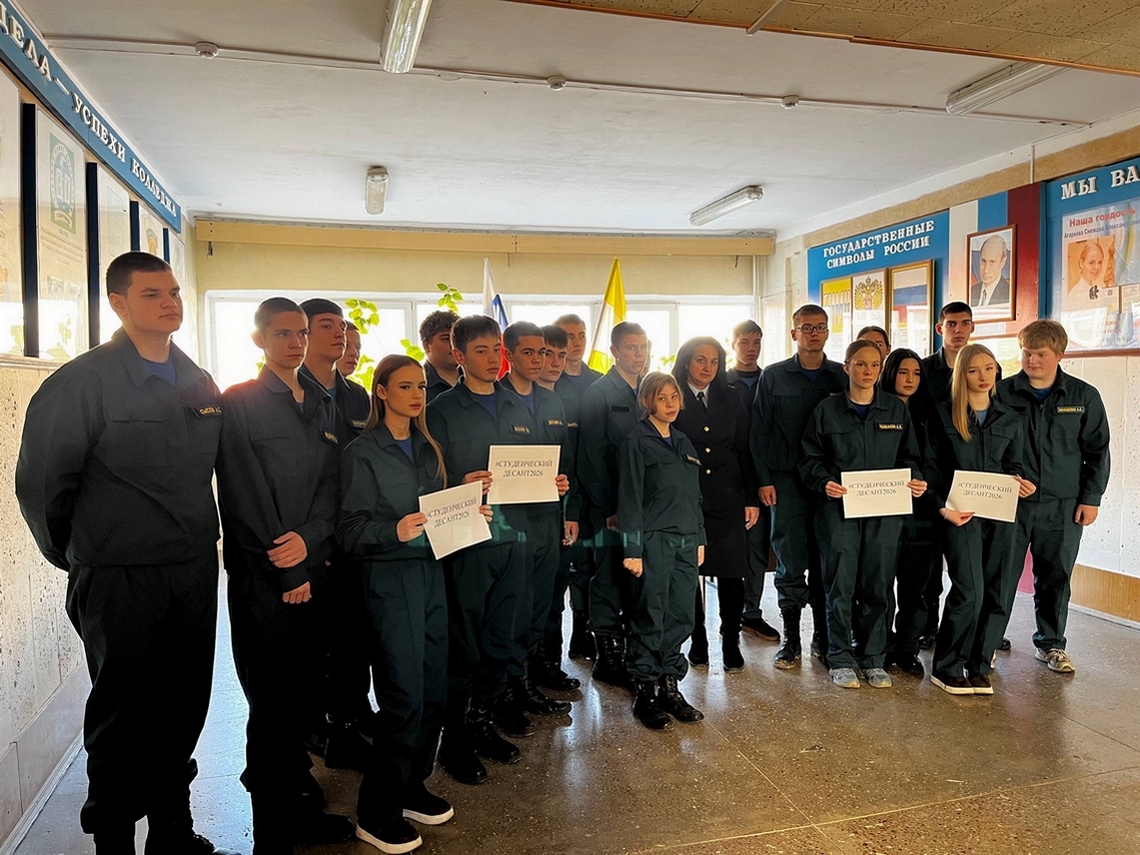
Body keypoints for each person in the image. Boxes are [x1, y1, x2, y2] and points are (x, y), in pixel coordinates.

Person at [15, 252, 235, 855]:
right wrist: (80, 554)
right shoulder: (83, 382)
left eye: (174, 292)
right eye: (151, 294)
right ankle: (113, 843)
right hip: (119, 575)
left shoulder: (198, 381)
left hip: (191, 569)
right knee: (123, 713)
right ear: (117, 304)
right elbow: (42, 484)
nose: (169, 303)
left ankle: (172, 831)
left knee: (184, 705)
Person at [217, 298, 351, 853]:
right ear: (259, 339)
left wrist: (312, 539)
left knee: (305, 698)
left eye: (300, 333)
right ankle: (272, 832)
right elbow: (243, 494)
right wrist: (290, 563)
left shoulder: (322, 401)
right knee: (272, 704)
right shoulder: (239, 403)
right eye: (282, 334)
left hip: (314, 568)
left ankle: (299, 803)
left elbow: (332, 487)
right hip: (265, 579)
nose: (295, 343)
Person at [338, 355, 465, 854]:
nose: (416, 395)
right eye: (406, 386)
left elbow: (439, 513)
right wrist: (393, 530)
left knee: (433, 691)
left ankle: (412, 787)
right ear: (381, 391)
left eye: (421, 387)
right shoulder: (361, 453)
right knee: (404, 697)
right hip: (389, 581)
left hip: (431, 576)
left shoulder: (430, 448)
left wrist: (467, 508)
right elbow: (349, 531)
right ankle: (377, 812)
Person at [426, 315, 531, 785]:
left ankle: (482, 721)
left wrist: (551, 482)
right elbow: (427, 477)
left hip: (514, 538)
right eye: (482, 350)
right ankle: (454, 740)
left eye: (497, 350)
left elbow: (530, 467)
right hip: (467, 539)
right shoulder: (441, 410)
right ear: (459, 355)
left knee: (500, 638)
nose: (493, 359)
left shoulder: (516, 403)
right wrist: (459, 482)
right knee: (464, 643)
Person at [800, 340, 925, 689]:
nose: (867, 371)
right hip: (838, 511)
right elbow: (809, 459)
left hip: (884, 512)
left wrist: (914, 479)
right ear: (847, 367)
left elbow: (910, 457)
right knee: (839, 584)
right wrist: (823, 482)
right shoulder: (827, 411)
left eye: (874, 365)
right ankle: (840, 657)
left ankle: (872, 658)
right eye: (860, 364)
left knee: (878, 584)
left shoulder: (895, 410)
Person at [994, 320, 1110, 673]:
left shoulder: (1083, 396)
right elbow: (987, 448)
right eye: (1027, 353)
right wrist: (1004, 478)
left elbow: (1097, 451)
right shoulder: (1002, 393)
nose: (1032, 360)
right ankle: (989, 642)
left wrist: (1091, 498)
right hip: (1011, 503)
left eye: (1041, 354)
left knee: (1055, 577)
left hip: (1063, 504)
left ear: (1060, 354)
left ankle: (1051, 644)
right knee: (1001, 574)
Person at [923, 343, 1035, 696]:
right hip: (960, 515)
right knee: (969, 590)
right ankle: (947, 667)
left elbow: (1015, 465)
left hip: (1000, 515)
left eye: (989, 368)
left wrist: (1022, 483)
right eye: (973, 370)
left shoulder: (1010, 418)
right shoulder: (942, 416)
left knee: (998, 591)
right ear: (962, 375)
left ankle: (979, 664)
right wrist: (942, 508)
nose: (983, 376)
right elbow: (931, 470)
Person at [750, 304, 846, 670]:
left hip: (827, 482)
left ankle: (822, 636)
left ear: (827, 332)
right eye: (807, 327)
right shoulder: (774, 376)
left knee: (826, 557)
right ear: (794, 334)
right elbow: (759, 430)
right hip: (787, 479)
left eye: (820, 327)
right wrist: (764, 479)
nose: (814, 333)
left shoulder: (840, 376)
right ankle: (792, 639)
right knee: (790, 560)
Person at [298, 298, 373, 768]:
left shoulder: (357, 396)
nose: (340, 334)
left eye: (342, 326)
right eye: (326, 325)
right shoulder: (291, 393)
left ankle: (352, 714)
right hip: (310, 542)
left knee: (353, 638)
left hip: (354, 538)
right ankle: (316, 728)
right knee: (313, 646)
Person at [497, 321, 576, 729]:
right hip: (511, 522)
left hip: (548, 517)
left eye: (543, 352)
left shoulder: (552, 402)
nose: (538, 360)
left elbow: (562, 461)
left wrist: (561, 485)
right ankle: (505, 692)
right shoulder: (496, 400)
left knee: (539, 606)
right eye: (528, 352)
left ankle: (526, 684)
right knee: (512, 608)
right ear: (509, 354)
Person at [618, 373, 707, 730]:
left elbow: (694, 496)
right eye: (661, 398)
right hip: (653, 540)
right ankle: (645, 691)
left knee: (681, 615)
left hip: (686, 539)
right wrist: (633, 548)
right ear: (646, 402)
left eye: (674, 397)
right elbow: (629, 498)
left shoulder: (684, 441)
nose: (670, 404)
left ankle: (670, 686)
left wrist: (700, 538)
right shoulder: (635, 442)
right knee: (649, 614)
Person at [671, 337, 758, 671]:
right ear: (686, 362)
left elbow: (745, 448)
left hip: (728, 495)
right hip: (687, 496)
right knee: (689, 571)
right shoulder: (672, 395)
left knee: (731, 572)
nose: (708, 367)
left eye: (714, 361)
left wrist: (751, 497)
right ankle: (697, 639)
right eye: (700, 360)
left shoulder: (732, 396)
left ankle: (730, 640)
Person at [918, 301, 997, 649]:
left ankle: (977, 630)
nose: (959, 330)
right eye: (952, 324)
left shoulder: (990, 375)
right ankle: (929, 625)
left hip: (976, 491)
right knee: (930, 568)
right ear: (940, 328)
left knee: (975, 573)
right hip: (935, 480)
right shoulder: (923, 370)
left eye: (965, 323)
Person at [578, 322, 649, 685]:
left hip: (643, 507)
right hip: (609, 506)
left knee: (637, 579)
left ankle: (634, 654)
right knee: (607, 577)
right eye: (631, 348)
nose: (639, 354)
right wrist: (610, 508)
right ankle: (607, 658)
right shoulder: (599, 393)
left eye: (643, 347)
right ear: (615, 352)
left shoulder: (649, 390)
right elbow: (590, 458)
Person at [878, 348, 938, 676]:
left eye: (916, 373)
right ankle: (883, 645)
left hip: (923, 511)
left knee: (916, 586)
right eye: (903, 372)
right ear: (890, 374)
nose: (910, 379)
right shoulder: (877, 408)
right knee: (881, 582)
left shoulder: (932, 413)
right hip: (884, 508)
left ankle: (908, 647)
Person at [535, 324, 589, 685]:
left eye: (560, 355)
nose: (555, 362)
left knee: (556, 593)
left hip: (560, 513)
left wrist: (571, 512)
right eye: (547, 354)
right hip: (523, 518)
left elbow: (568, 465)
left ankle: (550, 667)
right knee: (531, 599)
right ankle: (527, 675)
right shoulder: (511, 398)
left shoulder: (561, 401)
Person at [724, 320, 780, 643]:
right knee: (735, 548)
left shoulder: (771, 379)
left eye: (756, 342)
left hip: (768, 475)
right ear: (733, 344)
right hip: (731, 476)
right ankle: (731, 615)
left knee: (759, 548)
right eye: (744, 342)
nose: (751, 348)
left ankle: (752, 612)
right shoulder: (721, 382)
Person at [553, 313, 604, 660]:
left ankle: (583, 634)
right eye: (569, 336)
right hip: (561, 487)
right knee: (563, 569)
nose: (576, 342)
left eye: (581, 335)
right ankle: (551, 645)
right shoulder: (549, 381)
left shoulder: (599, 383)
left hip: (594, 488)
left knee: (590, 567)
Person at [420, 310, 461, 402]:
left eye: (458, 339)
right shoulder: (418, 385)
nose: (454, 345)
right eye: (446, 339)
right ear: (427, 345)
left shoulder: (476, 379)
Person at [970, 234, 1011, 310]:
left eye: (992, 262)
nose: (986, 270)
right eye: (983, 261)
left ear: (1003, 262)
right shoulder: (972, 291)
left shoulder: (1008, 292)